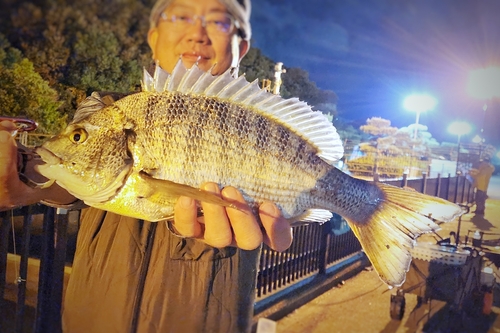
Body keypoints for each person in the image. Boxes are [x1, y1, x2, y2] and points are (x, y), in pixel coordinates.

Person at [0, 0, 293, 332]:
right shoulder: (106, 109)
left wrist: (288, 214)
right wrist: (20, 175)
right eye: (181, 16)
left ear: (241, 47)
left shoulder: (258, 123)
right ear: (154, 38)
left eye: (218, 22)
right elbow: (67, 177)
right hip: (94, 319)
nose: (197, 34)